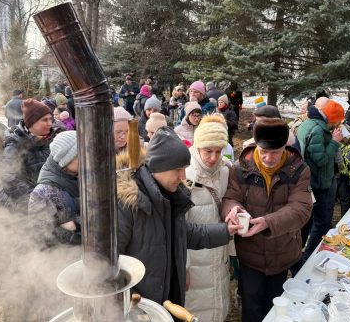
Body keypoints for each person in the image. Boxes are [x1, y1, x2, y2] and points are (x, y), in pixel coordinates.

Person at [117, 126, 239, 306]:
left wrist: (226, 231)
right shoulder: (127, 203)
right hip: (140, 307)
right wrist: (134, 303)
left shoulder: (168, 195)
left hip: (166, 298)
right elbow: (107, 265)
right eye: (178, 169)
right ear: (158, 167)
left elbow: (185, 234)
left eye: (185, 169)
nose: (183, 176)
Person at [221, 117, 312, 322]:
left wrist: (268, 222)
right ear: (255, 145)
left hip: (282, 251)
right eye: (263, 152)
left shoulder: (298, 169)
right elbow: (230, 198)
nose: (269, 159)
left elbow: (302, 208)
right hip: (250, 252)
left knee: (274, 304)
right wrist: (233, 208)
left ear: (286, 148)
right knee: (251, 304)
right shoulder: (241, 168)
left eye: (275, 152)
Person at [184, 115, 233, 321]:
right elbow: (178, 227)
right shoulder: (185, 175)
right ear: (197, 147)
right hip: (195, 257)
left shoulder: (226, 171)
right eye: (208, 151)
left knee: (217, 303)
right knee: (197, 307)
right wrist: (183, 267)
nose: (213, 157)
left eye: (218, 151)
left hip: (219, 251)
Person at [296, 100, 345, 259]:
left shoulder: (309, 122)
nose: (339, 124)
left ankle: (303, 254)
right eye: (338, 121)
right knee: (321, 222)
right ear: (332, 119)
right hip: (316, 183)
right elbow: (321, 160)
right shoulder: (317, 130)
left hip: (310, 181)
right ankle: (308, 256)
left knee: (308, 222)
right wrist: (335, 143)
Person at [0, 99, 58, 212]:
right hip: (32, 207)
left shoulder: (55, 138)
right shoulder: (15, 144)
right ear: (32, 122)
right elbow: (8, 178)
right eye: (44, 120)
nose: (50, 123)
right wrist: (37, 198)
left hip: (58, 201)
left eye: (50, 119)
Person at [28, 131, 81, 246]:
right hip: (62, 258)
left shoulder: (81, 176)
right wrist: (75, 231)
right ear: (65, 159)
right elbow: (42, 235)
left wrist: (76, 225)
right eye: (79, 155)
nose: (87, 159)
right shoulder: (43, 192)